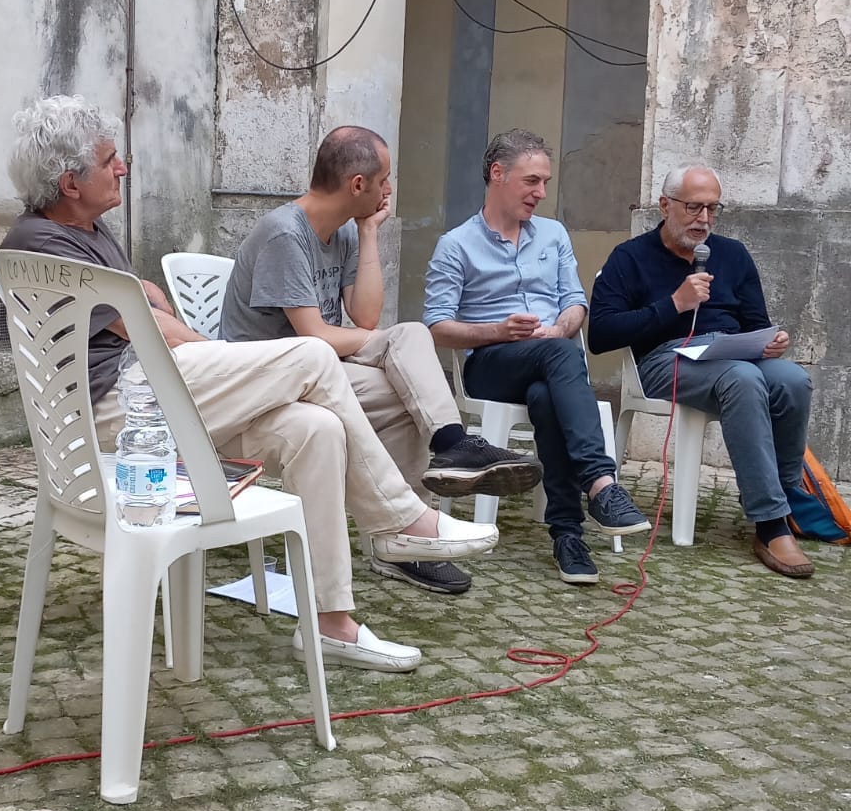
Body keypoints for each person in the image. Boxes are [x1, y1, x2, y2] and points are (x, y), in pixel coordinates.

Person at [0, 96, 500, 673]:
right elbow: (145, 324)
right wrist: (209, 346)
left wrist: (156, 309)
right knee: (312, 355)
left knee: (316, 429)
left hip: (152, 395)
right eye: (110, 159)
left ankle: (331, 623)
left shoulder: (84, 230)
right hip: (119, 413)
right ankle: (401, 520)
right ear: (70, 183)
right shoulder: (41, 245)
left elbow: (145, 305)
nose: (123, 167)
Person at [219, 125, 541, 597]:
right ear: (357, 184)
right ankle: (413, 523)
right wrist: (376, 343)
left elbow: (365, 315)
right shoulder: (284, 234)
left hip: (322, 367)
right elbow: (314, 336)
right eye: (384, 178)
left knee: (408, 347)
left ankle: (441, 468)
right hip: (270, 380)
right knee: (403, 369)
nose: (389, 188)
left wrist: (368, 232)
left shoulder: (344, 232)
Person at [424, 129, 651, 585]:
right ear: (497, 174)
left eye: (545, 181)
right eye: (531, 181)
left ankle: (568, 536)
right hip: (491, 364)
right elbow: (437, 327)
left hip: (551, 359)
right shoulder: (457, 244)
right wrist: (498, 331)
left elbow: (575, 303)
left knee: (548, 392)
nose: (541, 192)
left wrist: (560, 328)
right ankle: (601, 483)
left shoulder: (553, 234)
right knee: (559, 356)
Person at [589, 163, 814, 579]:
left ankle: (786, 501)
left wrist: (770, 342)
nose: (704, 219)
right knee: (742, 379)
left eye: (713, 208)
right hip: (664, 360)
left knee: (793, 380)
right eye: (694, 207)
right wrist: (673, 305)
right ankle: (770, 524)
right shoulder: (630, 257)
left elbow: (755, 322)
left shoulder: (733, 254)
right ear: (665, 205)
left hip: (733, 354)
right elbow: (600, 334)